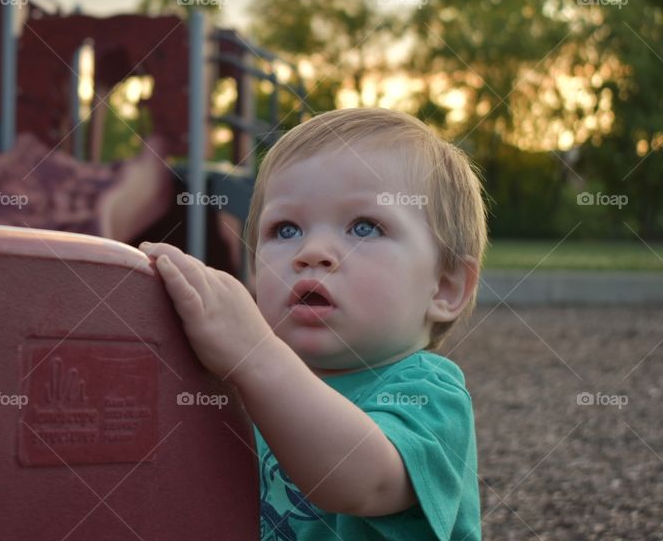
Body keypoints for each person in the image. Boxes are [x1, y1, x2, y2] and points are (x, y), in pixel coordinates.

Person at [139, 107, 487, 540]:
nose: (312, 251)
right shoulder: (236, 383)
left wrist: (256, 357)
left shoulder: (429, 394)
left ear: (445, 288)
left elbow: (360, 483)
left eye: (364, 227)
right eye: (285, 230)